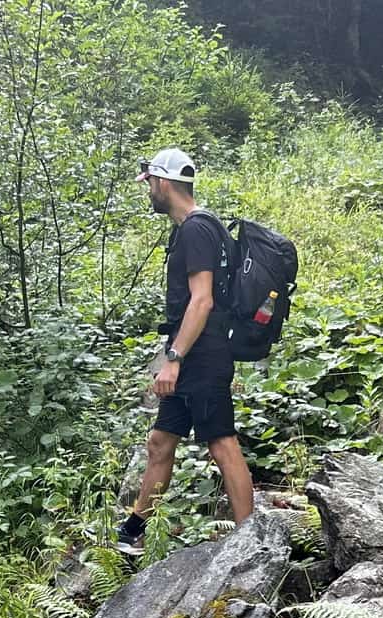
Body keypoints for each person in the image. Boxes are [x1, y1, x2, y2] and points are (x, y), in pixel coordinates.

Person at [116, 147, 255, 554]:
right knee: (161, 441)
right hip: (194, 350)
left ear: (163, 183)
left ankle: (250, 540)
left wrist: (173, 360)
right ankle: (135, 529)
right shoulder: (200, 228)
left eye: (150, 186)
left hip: (202, 354)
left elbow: (202, 301)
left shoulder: (196, 230)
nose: (149, 194)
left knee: (221, 442)